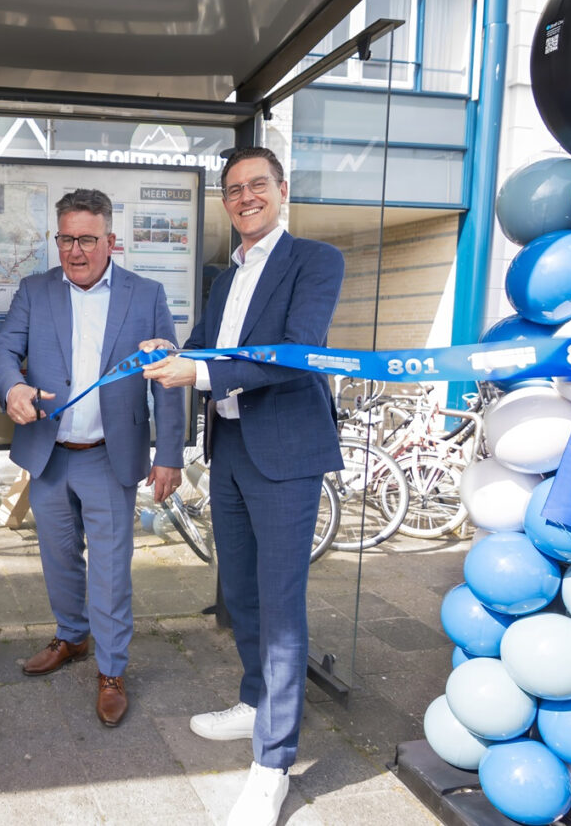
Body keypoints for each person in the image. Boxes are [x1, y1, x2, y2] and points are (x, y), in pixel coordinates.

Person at [141, 147, 344, 825]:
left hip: (285, 454)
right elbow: (205, 345)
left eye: (259, 184)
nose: (246, 196)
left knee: (281, 606)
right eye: (233, 189)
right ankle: (257, 702)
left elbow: (296, 352)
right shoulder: (225, 277)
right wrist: (172, 354)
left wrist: (196, 374)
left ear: (282, 191)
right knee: (241, 592)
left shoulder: (315, 261)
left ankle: (273, 763)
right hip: (228, 451)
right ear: (224, 201)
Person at [0, 188, 184, 727]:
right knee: (58, 559)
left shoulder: (146, 295)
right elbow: (3, 349)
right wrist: (13, 387)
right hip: (49, 453)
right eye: (66, 239)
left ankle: (112, 669)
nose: (75, 251)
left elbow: (167, 377)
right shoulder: (34, 290)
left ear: (110, 240)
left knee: (112, 570)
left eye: (88, 240)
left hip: (109, 457)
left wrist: (170, 454)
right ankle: (72, 636)